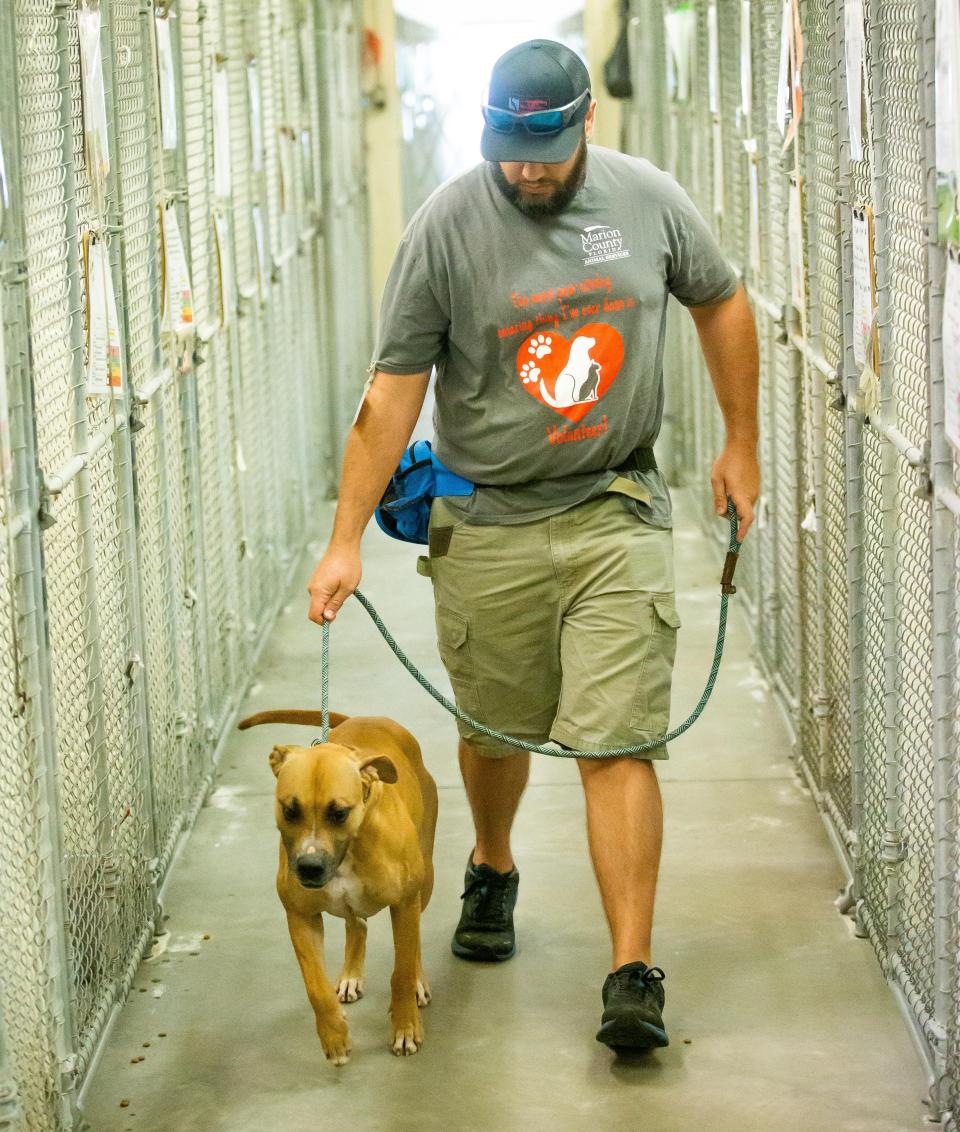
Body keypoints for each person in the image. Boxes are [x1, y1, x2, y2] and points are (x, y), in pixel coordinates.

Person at [308, 38, 760, 1053]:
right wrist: (344, 541)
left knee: (617, 740)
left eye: (545, 148)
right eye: (509, 148)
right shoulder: (446, 229)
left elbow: (721, 298)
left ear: (585, 121)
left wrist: (742, 442)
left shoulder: (646, 200)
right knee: (494, 732)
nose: (526, 168)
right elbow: (392, 393)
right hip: (491, 519)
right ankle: (495, 864)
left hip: (614, 507)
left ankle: (631, 971)